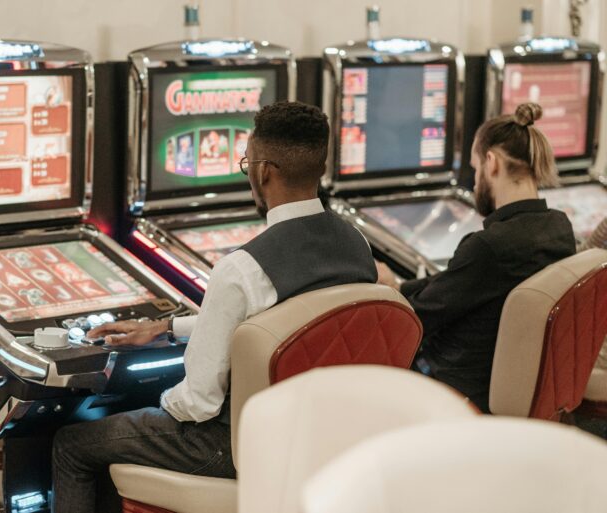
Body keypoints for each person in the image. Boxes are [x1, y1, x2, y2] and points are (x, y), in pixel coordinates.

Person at [52, 101, 377, 513]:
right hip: (324, 436)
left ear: (263, 171)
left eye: (246, 164)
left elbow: (198, 404)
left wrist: (148, 398)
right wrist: (169, 328)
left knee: (72, 444)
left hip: (235, 448)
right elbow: (284, 322)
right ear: (322, 166)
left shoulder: (243, 268)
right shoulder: (356, 245)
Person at [377, 102, 576, 412]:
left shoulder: (489, 246)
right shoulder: (559, 227)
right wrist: (399, 286)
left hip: (454, 386)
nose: (474, 182)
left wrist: (381, 295)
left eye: (475, 168)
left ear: (492, 163)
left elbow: (415, 318)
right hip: (512, 381)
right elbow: (456, 282)